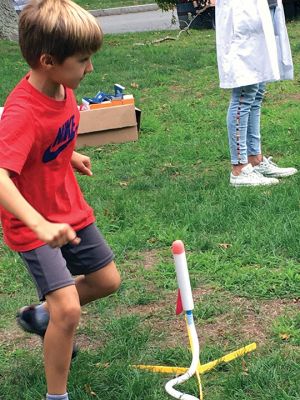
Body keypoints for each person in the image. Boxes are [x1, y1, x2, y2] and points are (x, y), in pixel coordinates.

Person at [0, 1, 121, 399]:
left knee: (107, 281)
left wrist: (69, 154)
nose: (90, 69)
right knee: (68, 309)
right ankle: (57, 395)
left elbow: (47, 138)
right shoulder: (20, 113)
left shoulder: (61, 86)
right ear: (48, 60)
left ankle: (40, 317)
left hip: (68, 209)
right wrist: (38, 224)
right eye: (83, 60)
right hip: (35, 224)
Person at [215, 0, 297, 186]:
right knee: (245, 91)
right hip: (242, 14)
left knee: (257, 90)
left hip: (259, 13)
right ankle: (239, 168)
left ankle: (255, 160)